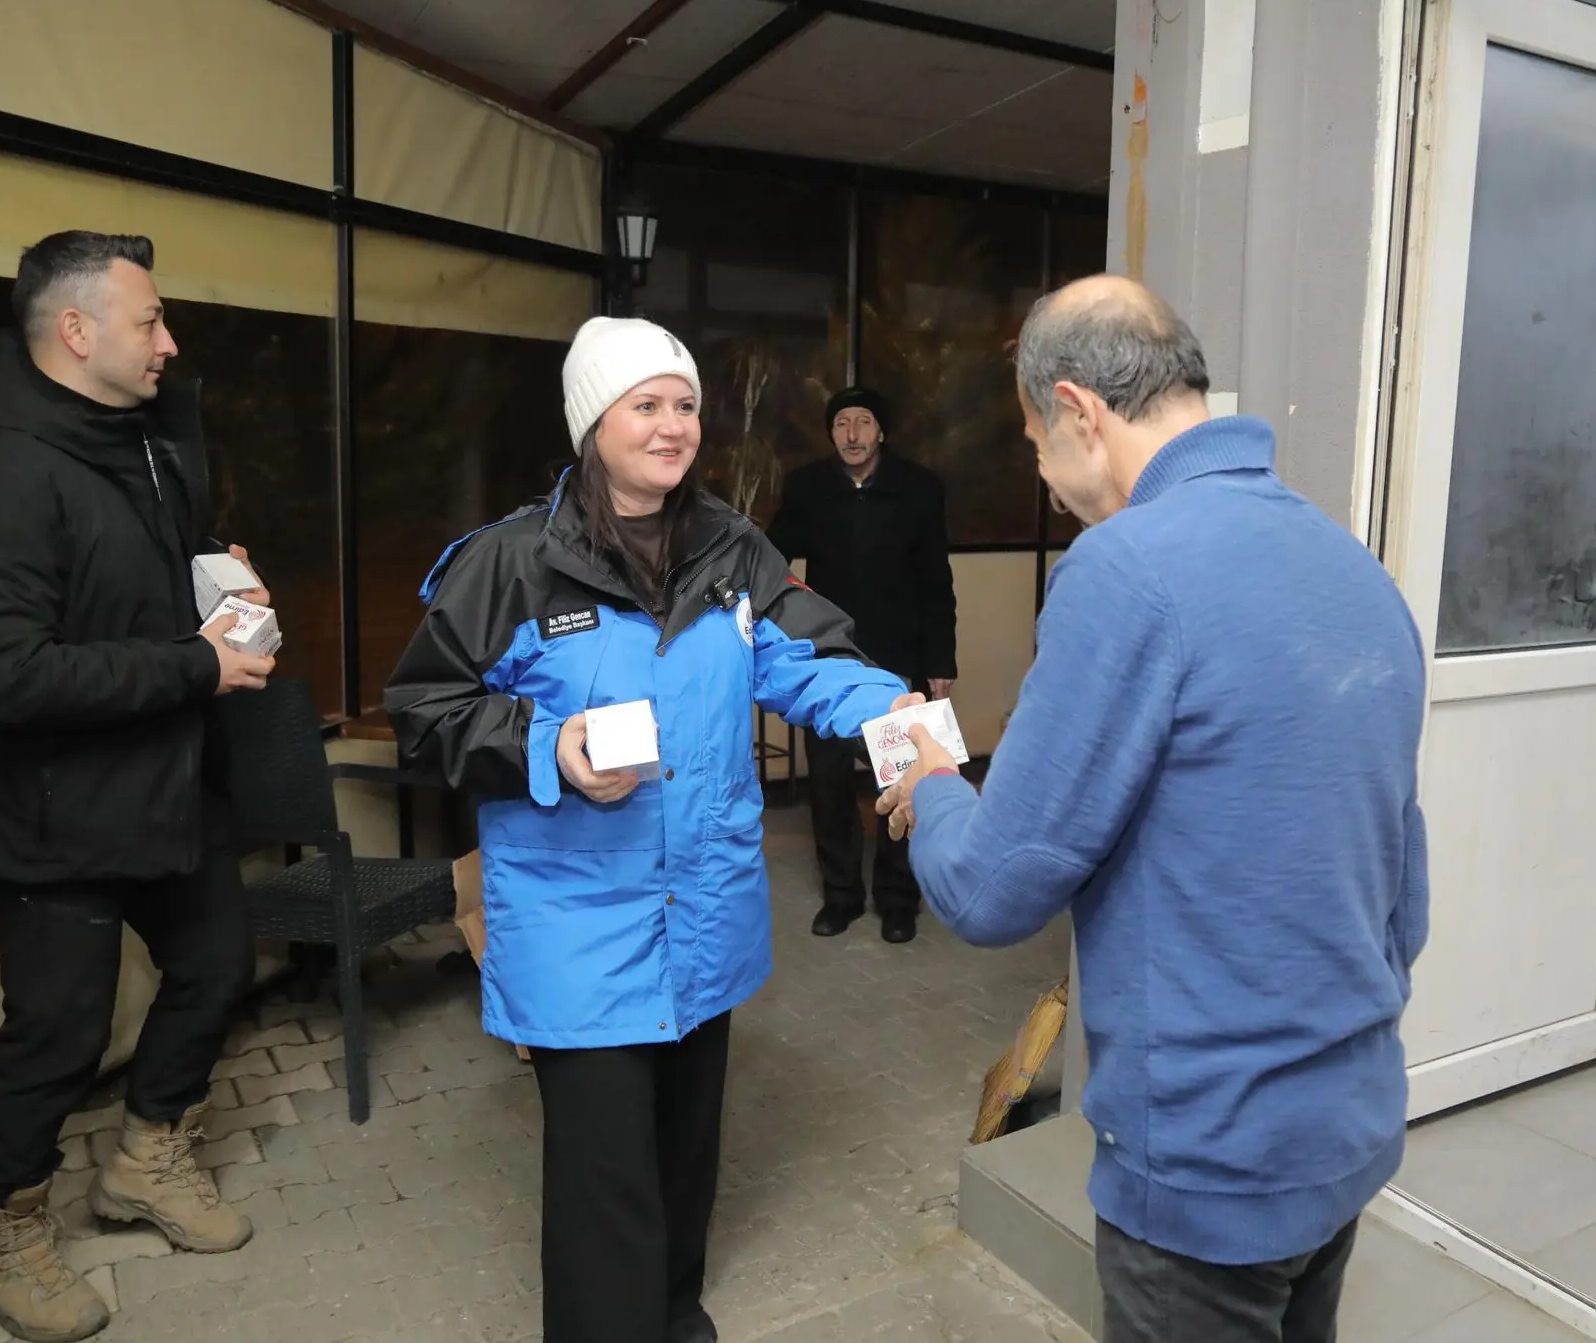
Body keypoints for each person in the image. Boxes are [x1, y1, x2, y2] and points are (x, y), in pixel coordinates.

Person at [875, 276, 1429, 1343]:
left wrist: (935, 785)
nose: (1043, 483)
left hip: (1207, 1165)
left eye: (1036, 446)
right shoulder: (1351, 566)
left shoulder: (1125, 570)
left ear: (1079, 412)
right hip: (1345, 1122)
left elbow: (994, 886)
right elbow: (1400, 887)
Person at [384, 318, 916, 1343]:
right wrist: (549, 744)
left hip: (705, 908)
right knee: (605, 1179)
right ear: (594, 422)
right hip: (576, 922)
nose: (673, 425)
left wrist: (891, 711)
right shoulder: (508, 564)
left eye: (684, 405)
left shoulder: (731, 549)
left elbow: (808, 658)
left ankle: (675, 1319)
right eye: (647, 404)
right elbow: (424, 706)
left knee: (682, 1152)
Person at [0, 232, 273, 1343]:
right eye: (150, 323)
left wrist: (223, 573)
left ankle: (143, 1160)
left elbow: (165, 549)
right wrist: (196, 662)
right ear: (75, 332)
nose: (170, 343)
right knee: (57, 1036)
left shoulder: (143, 434)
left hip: (169, 779)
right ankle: (2, 1240)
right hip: (54, 808)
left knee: (219, 959)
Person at [766, 386, 956, 943]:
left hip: (899, 657)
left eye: (863, 422)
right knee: (827, 785)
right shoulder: (809, 487)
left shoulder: (918, 488)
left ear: (881, 433)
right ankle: (841, 896)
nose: (851, 434)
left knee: (900, 778)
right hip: (827, 660)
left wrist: (940, 659)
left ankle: (899, 902)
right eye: (841, 423)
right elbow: (770, 560)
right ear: (832, 433)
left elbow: (936, 583)